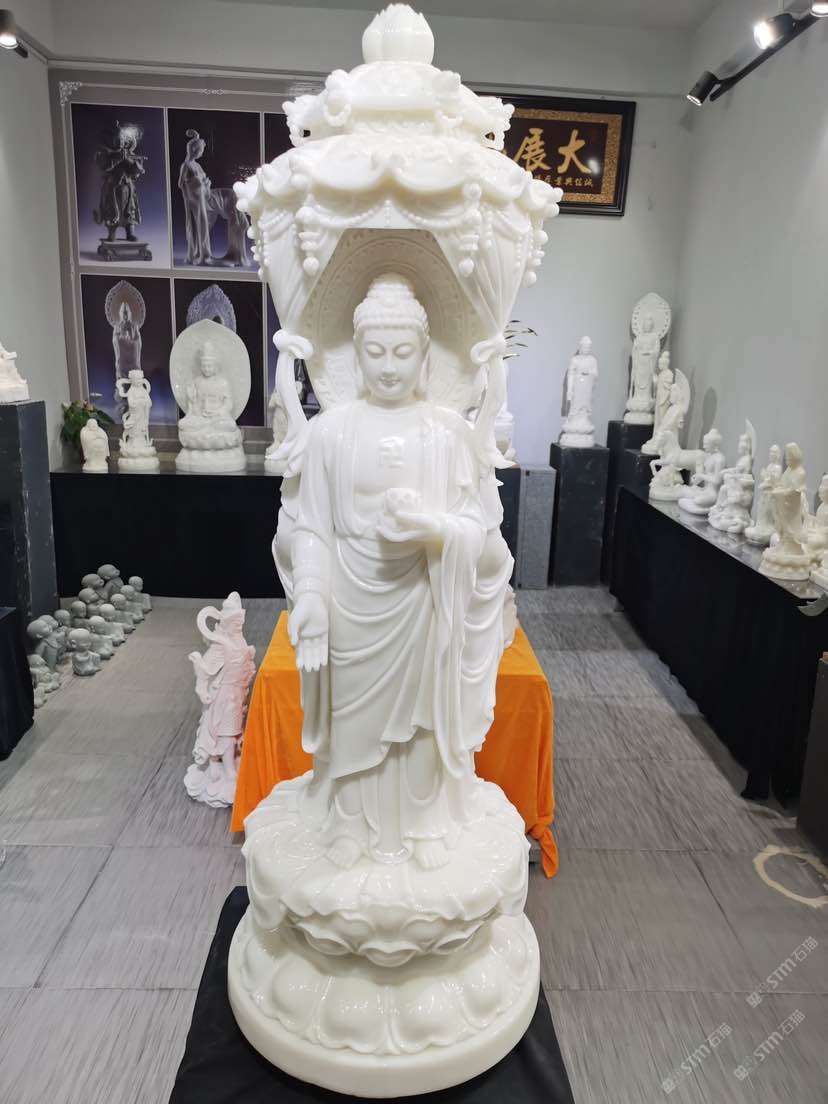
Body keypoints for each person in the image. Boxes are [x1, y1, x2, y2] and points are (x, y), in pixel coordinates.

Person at [287, 273, 508, 872]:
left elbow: (482, 535)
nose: (389, 367)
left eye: (403, 352)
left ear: (425, 353)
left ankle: (424, 818)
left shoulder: (447, 433)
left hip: (423, 597)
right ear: (356, 355)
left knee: (423, 719)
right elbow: (312, 527)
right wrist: (311, 596)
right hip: (350, 599)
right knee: (352, 716)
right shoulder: (331, 432)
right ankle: (351, 820)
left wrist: (436, 530)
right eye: (376, 352)